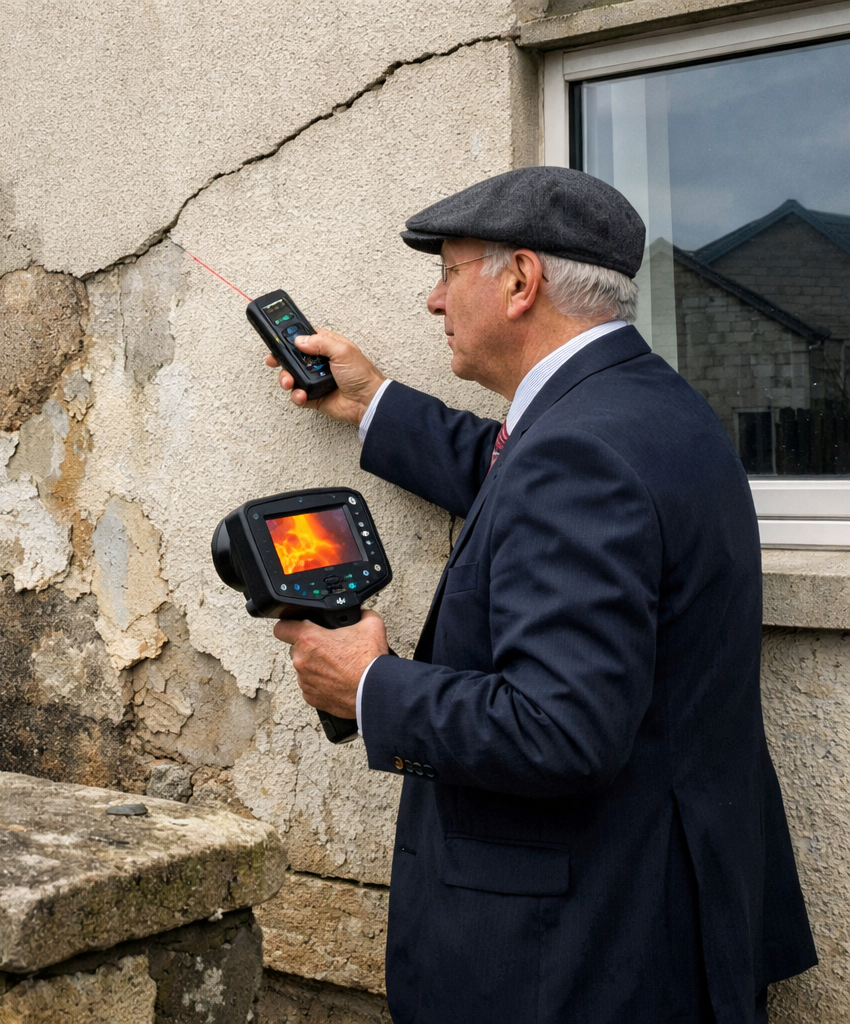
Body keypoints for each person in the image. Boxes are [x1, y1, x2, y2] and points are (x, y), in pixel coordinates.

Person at [266, 168, 815, 1022]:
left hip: (581, 961)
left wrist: (371, 685)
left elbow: (561, 730)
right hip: (680, 916)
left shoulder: (579, 454)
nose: (432, 301)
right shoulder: (649, 409)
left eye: (449, 272)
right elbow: (514, 472)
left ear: (520, 280)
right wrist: (372, 402)